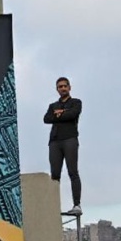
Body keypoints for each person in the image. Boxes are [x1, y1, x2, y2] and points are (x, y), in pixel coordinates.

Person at [44, 77, 82, 215]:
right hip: (54, 141)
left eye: (65, 86)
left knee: (73, 172)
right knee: (55, 174)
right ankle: (54, 206)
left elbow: (73, 114)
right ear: (57, 89)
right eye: (60, 86)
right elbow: (46, 118)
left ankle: (77, 204)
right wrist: (60, 114)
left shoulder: (76, 102)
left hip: (70, 139)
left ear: (69, 87)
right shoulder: (53, 105)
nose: (63, 88)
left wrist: (61, 113)